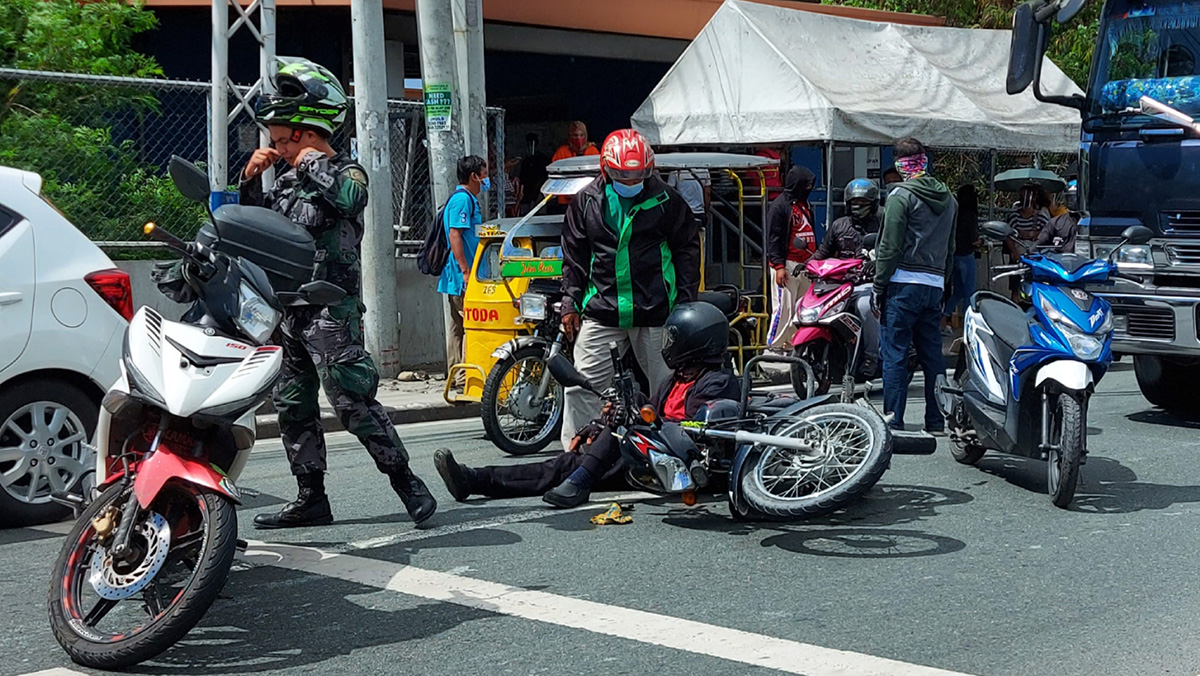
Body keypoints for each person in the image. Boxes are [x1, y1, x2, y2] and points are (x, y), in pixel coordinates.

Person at [237, 58, 437, 528]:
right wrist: (249, 180)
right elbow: (255, 229)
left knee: (352, 402)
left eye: (285, 139)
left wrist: (314, 165)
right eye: (275, 141)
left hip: (331, 309)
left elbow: (350, 201)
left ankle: (409, 485)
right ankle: (312, 497)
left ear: (309, 133)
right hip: (287, 311)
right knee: (293, 406)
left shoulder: (348, 172)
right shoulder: (284, 180)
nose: (278, 148)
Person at [432, 302, 740, 508]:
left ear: (695, 343)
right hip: (651, 458)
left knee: (573, 465)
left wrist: (631, 419)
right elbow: (653, 411)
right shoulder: (676, 379)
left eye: (676, 338)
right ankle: (474, 479)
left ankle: (580, 481)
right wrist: (603, 422)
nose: (669, 344)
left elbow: (690, 431)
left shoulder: (717, 382)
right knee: (566, 462)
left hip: (681, 466)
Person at [559, 129, 701, 451]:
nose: (631, 179)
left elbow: (687, 251)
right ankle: (578, 454)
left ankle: (674, 451)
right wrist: (570, 300)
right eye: (623, 174)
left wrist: (686, 303)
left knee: (667, 387)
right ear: (605, 168)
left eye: (638, 174)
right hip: (603, 310)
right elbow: (575, 257)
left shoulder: (667, 201)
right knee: (581, 385)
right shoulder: (587, 203)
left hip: (655, 312)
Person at [872, 138, 957, 434]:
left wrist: (879, 285)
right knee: (932, 356)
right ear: (924, 161)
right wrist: (943, 285)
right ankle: (935, 422)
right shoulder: (950, 199)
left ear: (899, 163)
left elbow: (889, 246)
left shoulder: (900, 196)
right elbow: (951, 247)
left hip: (902, 284)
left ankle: (893, 420)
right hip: (933, 285)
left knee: (895, 353)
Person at [438, 155, 489, 385]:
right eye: (484, 175)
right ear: (474, 176)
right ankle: (466, 375)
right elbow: (455, 234)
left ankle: (456, 375)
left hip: (459, 274)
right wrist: (466, 270)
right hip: (462, 276)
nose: (486, 181)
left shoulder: (466, 199)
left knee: (457, 326)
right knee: (470, 324)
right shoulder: (462, 200)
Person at [766, 165, 818, 349]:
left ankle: (793, 346)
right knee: (783, 309)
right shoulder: (780, 206)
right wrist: (778, 266)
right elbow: (774, 238)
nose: (809, 188)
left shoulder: (805, 205)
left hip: (805, 266)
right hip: (787, 264)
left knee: (801, 310)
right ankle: (773, 347)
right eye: (807, 184)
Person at [813, 178, 880, 261]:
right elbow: (823, 252)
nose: (858, 206)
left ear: (874, 204)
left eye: (863, 202)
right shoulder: (838, 226)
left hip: (874, 272)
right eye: (854, 202)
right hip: (845, 272)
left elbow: (892, 251)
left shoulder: (882, 225)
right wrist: (807, 264)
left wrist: (878, 263)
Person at [943, 184, 979, 336]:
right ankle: (967, 325)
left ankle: (944, 318)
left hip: (953, 255)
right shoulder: (970, 215)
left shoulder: (953, 212)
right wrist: (982, 241)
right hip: (966, 256)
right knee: (969, 293)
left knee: (956, 292)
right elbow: (974, 240)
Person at [1005, 184, 1051, 300]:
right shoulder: (1013, 216)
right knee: (1015, 287)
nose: (1023, 198)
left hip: (1035, 259)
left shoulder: (1041, 216)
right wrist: (1014, 252)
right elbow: (1007, 236)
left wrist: (1033, 235)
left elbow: (1048, 233)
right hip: (1017, 257)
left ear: (1033, 197)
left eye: (1026, 195)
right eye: (1021, 195)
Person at [551, 121, 601, 208]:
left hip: (588, 197)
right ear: (570, 137)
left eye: (581, 135)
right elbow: (554, 175)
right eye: (575, 135)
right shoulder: (561, 152)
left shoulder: (592, 151)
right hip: (565, 200)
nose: (578, 138)